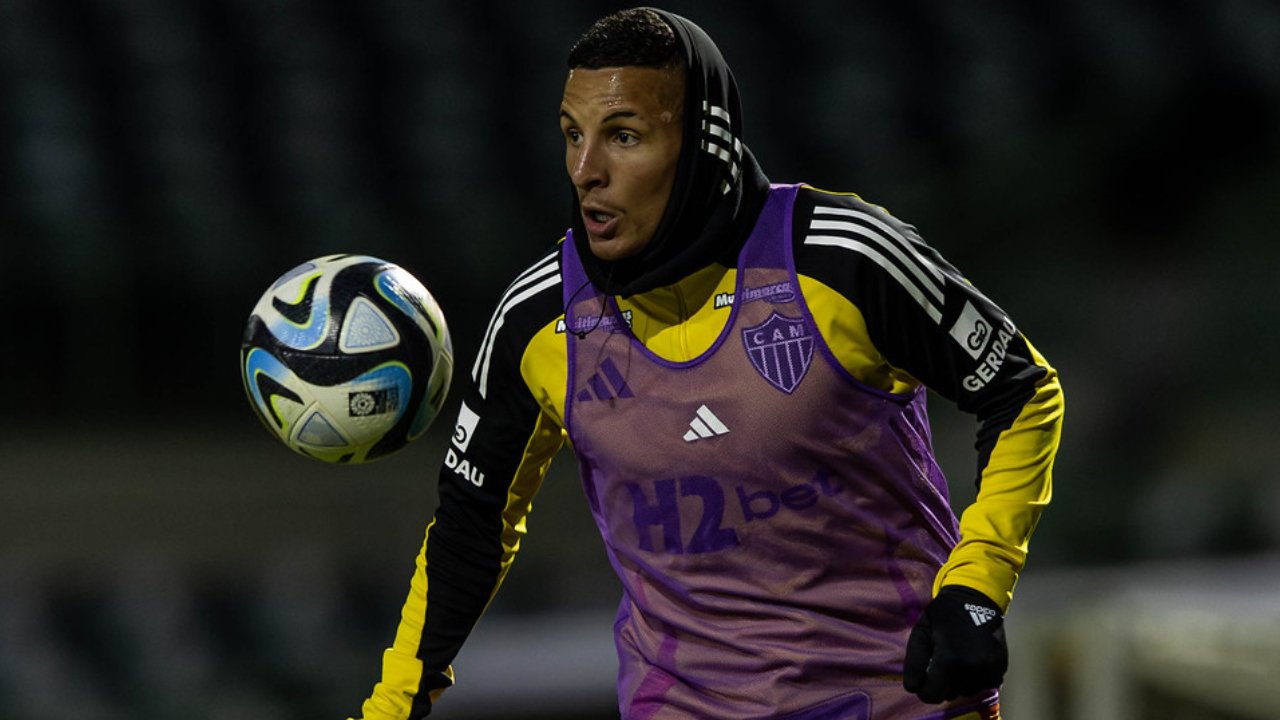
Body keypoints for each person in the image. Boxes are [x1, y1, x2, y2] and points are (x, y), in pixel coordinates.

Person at [352, 7, 1063, 720]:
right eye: (573, 135)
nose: (585, 171)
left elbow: (1023, 392)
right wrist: (391, 709)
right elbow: (472, 523)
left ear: (704, 144)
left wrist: (975, 588)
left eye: (622, 136)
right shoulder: (537, 322)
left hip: (902, 701)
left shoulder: (845, 260)